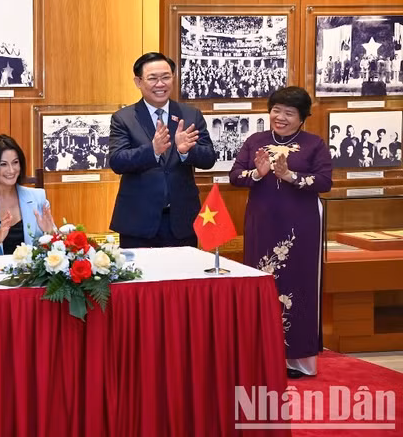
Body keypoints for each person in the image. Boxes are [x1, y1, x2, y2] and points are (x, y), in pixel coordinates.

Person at [229, 86, 332, 379]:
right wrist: (257, 173)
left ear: (302, 117)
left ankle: (298, 359)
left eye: (289, 113)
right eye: (276, 110)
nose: (281, 117)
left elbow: (324, 182)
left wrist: (289, 176)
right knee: (261, 283)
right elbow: (235, 176)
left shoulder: (314, 144)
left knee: (299, 283)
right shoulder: (255, 141)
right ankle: (260, 355)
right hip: (262, 222)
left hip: (301, 225)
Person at [109, 52, 216, 248]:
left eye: (166, 77)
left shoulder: (190, 115)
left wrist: (186, 152)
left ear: (173, 78)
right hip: (138, 221)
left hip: (181, 220)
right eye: (153, 78)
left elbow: (209, 158)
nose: (160, 84)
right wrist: (153, 151)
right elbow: (117, 161)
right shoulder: (123, 118)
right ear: (138, 81)